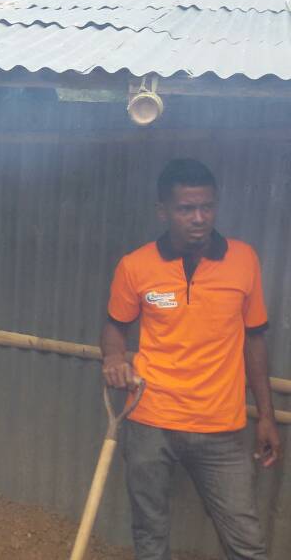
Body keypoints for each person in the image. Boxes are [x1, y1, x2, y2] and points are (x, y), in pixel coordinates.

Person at [101, 158, 281, 560]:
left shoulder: (244, 260)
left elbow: (255, 341)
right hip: (149, 420)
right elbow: (115, 326)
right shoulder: (135, 266)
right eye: (186, 209)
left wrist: (266, 416)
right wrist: (114, 357)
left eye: (207, 207)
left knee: (246, 542)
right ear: (163, 211)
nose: (199, 218)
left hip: (221, 428)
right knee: (150, 536)